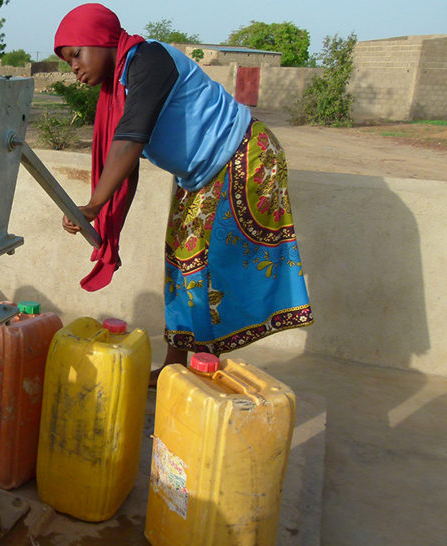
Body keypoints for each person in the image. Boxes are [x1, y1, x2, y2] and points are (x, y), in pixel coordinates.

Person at [54, 3, 312, 370]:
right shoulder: (117, 94)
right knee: (181, 261)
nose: (74, 67)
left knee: (214, 267)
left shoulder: (148, 60)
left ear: (102, 40)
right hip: (200, 176)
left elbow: (130, 140)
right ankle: (175, 365)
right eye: (68, 63)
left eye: (76, 54)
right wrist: (98, 214)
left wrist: (94, 205)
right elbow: (125, 166)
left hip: (243, 154)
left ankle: (205, 367)